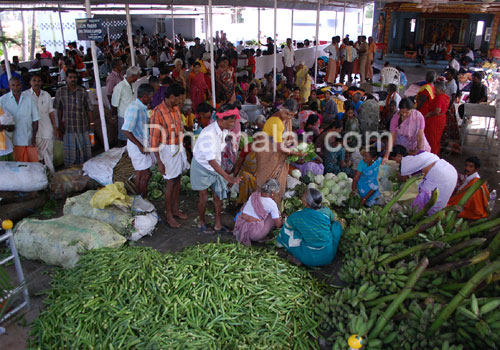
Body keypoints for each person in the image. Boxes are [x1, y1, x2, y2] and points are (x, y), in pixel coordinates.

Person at [191, 104, 241, 234]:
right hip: (202, 167)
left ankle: (218, 224)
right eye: (231, 121)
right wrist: (227, 176)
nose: (234, 123)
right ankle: (201, 221)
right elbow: (210, 160)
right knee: (204, 197)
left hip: (215, 166)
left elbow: (216, 156)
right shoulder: (208, 134)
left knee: (217, 196)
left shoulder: (223, 130)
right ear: (222, 120)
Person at [150, 84, 190, 228]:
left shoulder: (176, 109)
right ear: (171, 97)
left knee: (178, 179)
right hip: (166, 149)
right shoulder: (157, 112)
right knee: (171, 182)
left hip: (178, 147)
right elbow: (153, 140)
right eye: (178, 98)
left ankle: (175, 209)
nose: (180, 101)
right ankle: (168, 215)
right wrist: (159, 162)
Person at [276, 188, 343, 267]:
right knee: (336, 226)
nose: (302, 197)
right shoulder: (326, 211)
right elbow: (333, 221)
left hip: (309, 258)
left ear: (306, 203)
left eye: (303, 197)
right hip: (328, 255)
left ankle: (298, 258)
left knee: (288, 232)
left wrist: (284, 219)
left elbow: (287, 225)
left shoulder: (297, 216)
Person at [258, 99, 304, 204]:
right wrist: (297, 153)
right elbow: (280, 148)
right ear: (281, 108)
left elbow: (288, 136)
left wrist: (295, 144)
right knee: (267, 182)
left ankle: (274, 205)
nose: (289, 117)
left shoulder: (286, 119)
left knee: (277, 183)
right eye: (287, 113)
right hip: (269, 154)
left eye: (291, 115)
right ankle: (263, 205)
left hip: (276, 151)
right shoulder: (276, 122)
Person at [122, 84, 155, 198]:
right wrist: (140, 146)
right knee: (144, 174)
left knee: (141, 173)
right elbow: (126, 130)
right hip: (137, 145)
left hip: (140, 142)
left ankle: (140, 198)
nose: (152, 98)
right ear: (145, 96)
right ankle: (142, 199)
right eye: (151, 96)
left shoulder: (141, 107)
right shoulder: (135, 108)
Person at [53, 69, 92, 166]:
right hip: (69, 127)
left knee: (84, 152)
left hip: (82, 126)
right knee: (71, 154)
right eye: (70, 77)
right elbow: (59, 109)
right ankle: (71, 171)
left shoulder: (82, 91)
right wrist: (59, 125)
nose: (73, 79)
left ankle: (85, 169)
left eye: (74, 77)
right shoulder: (60, 92)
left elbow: (89, 109)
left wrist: (91, 124)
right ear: (66, 78)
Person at [400, 151, 457, 215]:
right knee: (436, 202)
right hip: (450, 175)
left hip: (442, 178)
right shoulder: (431, 158)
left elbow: (403, 175)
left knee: (421, 206)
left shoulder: (416, 160)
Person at [0, 77, 39, 162]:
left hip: (29, 139)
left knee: (34, 164)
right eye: (13, 85)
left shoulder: (29, 98)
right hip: (13, 141)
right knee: (20, 167)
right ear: (9, 86)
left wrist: (33, 137)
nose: (16, 88)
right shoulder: (3, 100)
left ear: (21, 85)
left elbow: (35, 119)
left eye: (18, 85)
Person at [234, 179, 283, 246]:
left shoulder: (253, 195)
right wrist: (282, 221)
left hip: (240, 228)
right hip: (255, 234)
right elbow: (278, 225)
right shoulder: (272, 204)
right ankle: (261, 236)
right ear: (272, 193)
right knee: (276, 214)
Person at [25, 74, 57, 172]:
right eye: (34, 80)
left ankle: (51, 174)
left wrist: (54, 127)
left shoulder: (46, 95)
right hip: (34, 131)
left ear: (41, 83)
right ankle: (41, 175)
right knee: (37, 155)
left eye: (39, 81)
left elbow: (51, 112)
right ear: (30, 82)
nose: (36, 83)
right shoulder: (25, 95)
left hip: (47, 129)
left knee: (49, 153)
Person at [112, 66, 140, 142]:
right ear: (133, 76)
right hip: (124, 116)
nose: (137, 78)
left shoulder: (132, 85)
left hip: (132, 115)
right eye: (137, 76)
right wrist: (115, 116)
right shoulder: (120, 87)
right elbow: (114, 104)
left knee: (133, 138)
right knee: (125, 139)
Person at [424, 81, 449, 156]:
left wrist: (427, 115)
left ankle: (431, 156)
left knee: (432, 140)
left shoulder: (439, 98)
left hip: (435, 121)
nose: (435, 91)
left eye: (436, 90)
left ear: (441, 90)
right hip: (441, 120)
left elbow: (437, 111)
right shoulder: (445, 97)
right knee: (436, 140)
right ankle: (435, 155)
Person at [233, 140, 257, 204]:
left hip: (258, 174)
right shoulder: (247, 148)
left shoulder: (266, 149)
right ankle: (243, 202)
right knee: (245, 176)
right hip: (246, 172)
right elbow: (239, 163)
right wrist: (233, 178)